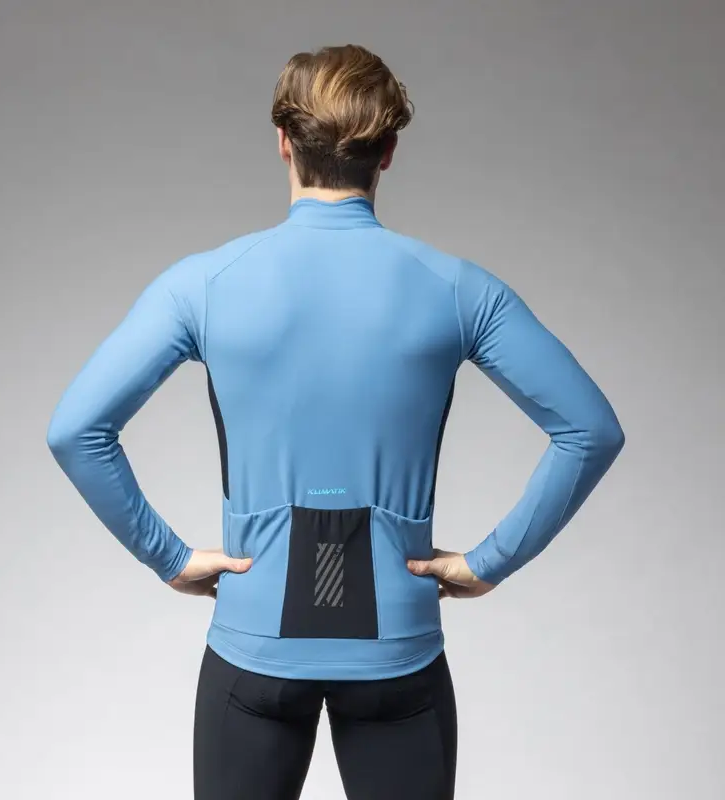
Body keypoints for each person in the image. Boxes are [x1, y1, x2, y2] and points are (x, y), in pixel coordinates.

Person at [46, 43, 625, 800]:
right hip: (397, 651)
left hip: (255, 645)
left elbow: (77, 431)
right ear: (387, 153)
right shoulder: (458, 290)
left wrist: (169, 556)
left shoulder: (203, 286)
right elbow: (590, 430)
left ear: (283, 142)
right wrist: (489, 562)